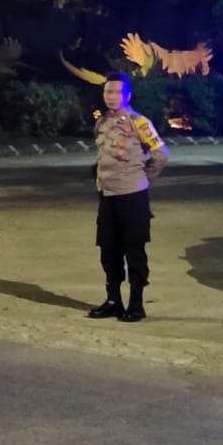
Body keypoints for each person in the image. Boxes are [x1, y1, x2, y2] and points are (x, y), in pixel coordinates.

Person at [88, 72, 169, 322]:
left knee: (134, 250)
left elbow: (161, 155)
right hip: (107, 196)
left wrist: (142, 178)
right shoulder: (102, 123)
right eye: (107, 92)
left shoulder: (139, 123)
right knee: (108, 250)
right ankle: (113, 301)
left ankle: (136, 304)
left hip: (132, 197)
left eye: (116, 92)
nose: (111, 97)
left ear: (128, 96)